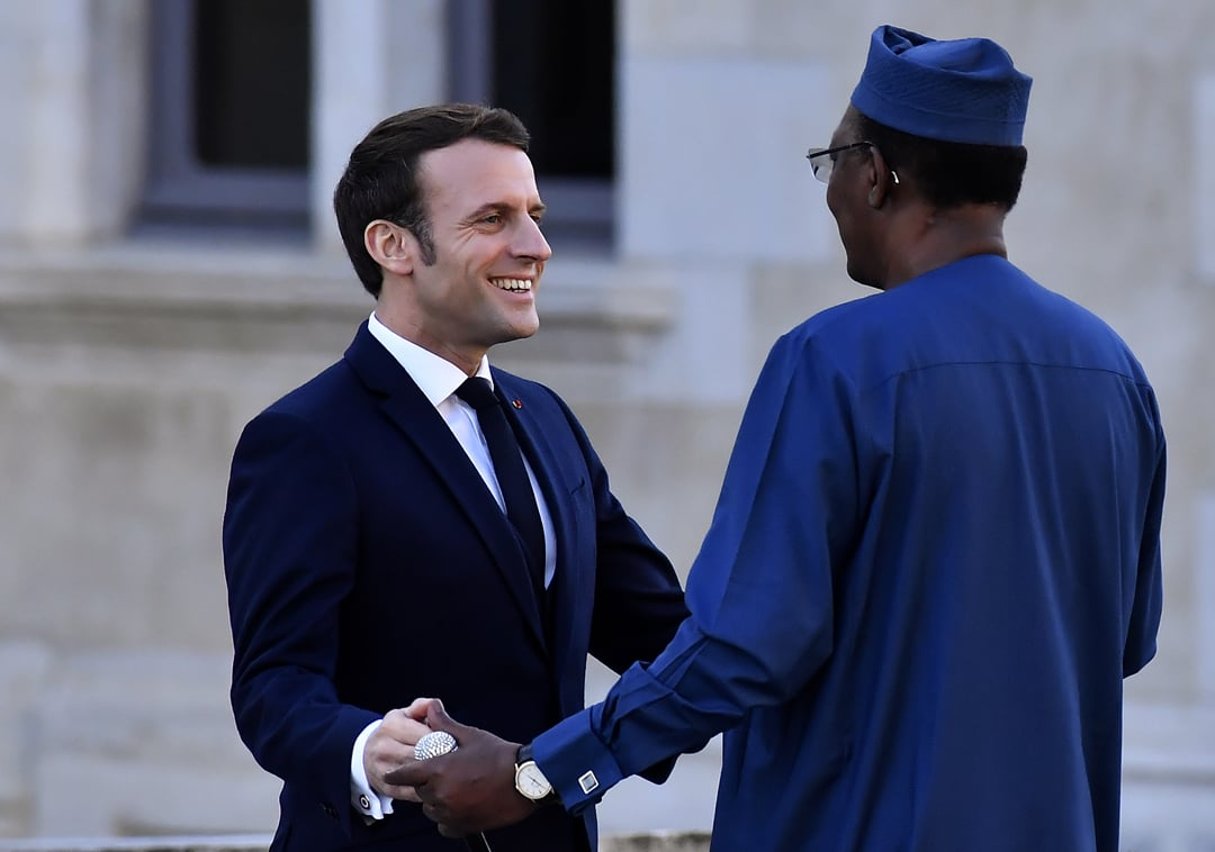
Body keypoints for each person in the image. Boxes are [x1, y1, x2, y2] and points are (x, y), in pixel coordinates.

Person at [388, 25, 1166, 852]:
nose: (830, 191)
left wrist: (538, 772)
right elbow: (1126, 637)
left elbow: (745, 644)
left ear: (875, 176)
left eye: (831, 165)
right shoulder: (1113, 371)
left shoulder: (834, 360)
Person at [221, 103, 688, 852]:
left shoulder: (547, 420)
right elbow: (274, 688)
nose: (534, 246)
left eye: (534, 215)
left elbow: (667, 634)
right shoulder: (304, 440)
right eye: (493, 219)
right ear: (394, 246)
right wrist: (367, 746)